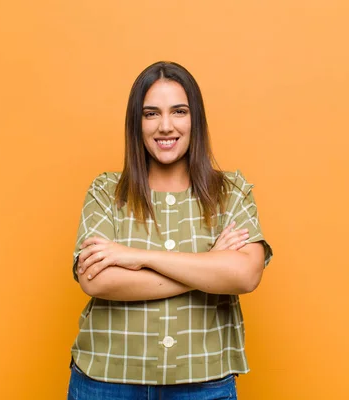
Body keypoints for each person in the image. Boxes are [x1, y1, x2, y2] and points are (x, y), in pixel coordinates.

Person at [68, 61, 273, 400]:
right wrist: (209, 265)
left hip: (204, 382)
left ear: (196, 120)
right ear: (137, 123)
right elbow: (96, 279)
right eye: (151, 114)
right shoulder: (107, 192)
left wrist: (136, 257)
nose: (166, 126)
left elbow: (246, 274)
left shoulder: (231, 193)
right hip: (106, 381)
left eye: (179, 111)